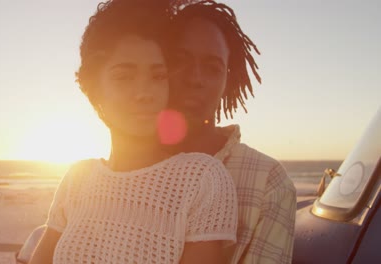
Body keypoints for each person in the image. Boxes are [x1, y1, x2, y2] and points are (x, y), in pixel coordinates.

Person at [28, 0, 238, 263]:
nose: (144, 93)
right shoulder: (77, 179)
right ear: (93, 89)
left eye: (157, 76)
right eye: (124, 76)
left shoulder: (201, 180)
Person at [166, 1, 297, 263]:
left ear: (228, 81)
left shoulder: (268, 183)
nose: (196, 78)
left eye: (213, 68)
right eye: (180, 61)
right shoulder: (129, 165)